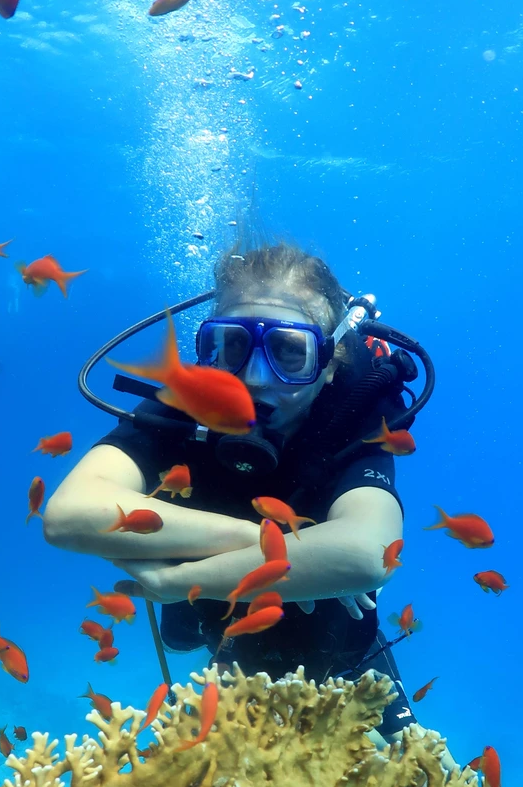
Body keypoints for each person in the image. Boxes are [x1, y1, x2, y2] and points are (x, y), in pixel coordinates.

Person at [44, 242, 417, 739]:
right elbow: (68, 515)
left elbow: (369, 556)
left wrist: (173, 583)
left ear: (329, 363)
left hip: (338, 647)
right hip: (222, 626)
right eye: (233, 347)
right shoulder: (190, 399)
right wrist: (283, 550)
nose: (256, 379)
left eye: (290, 352)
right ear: (207, 352)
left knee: (424, 768)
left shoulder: (354, 414)